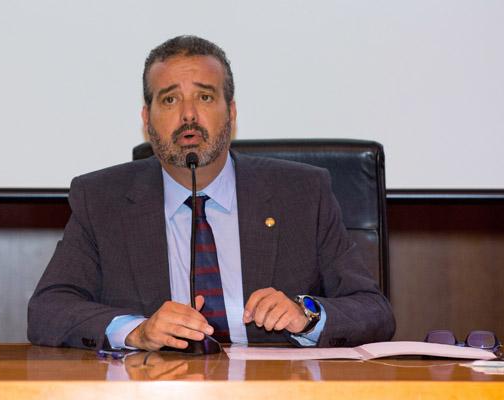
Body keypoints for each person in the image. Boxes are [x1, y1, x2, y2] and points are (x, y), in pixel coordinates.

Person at [27, 35, 395, 351]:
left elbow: (373, 310)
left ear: (231, 112)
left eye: (204, 98)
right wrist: (136, 331)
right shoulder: (102, 198)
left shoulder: (302, 193)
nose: (188, 115)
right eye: (170, 100)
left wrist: (308, 315)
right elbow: (49, 310)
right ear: (146, 119)